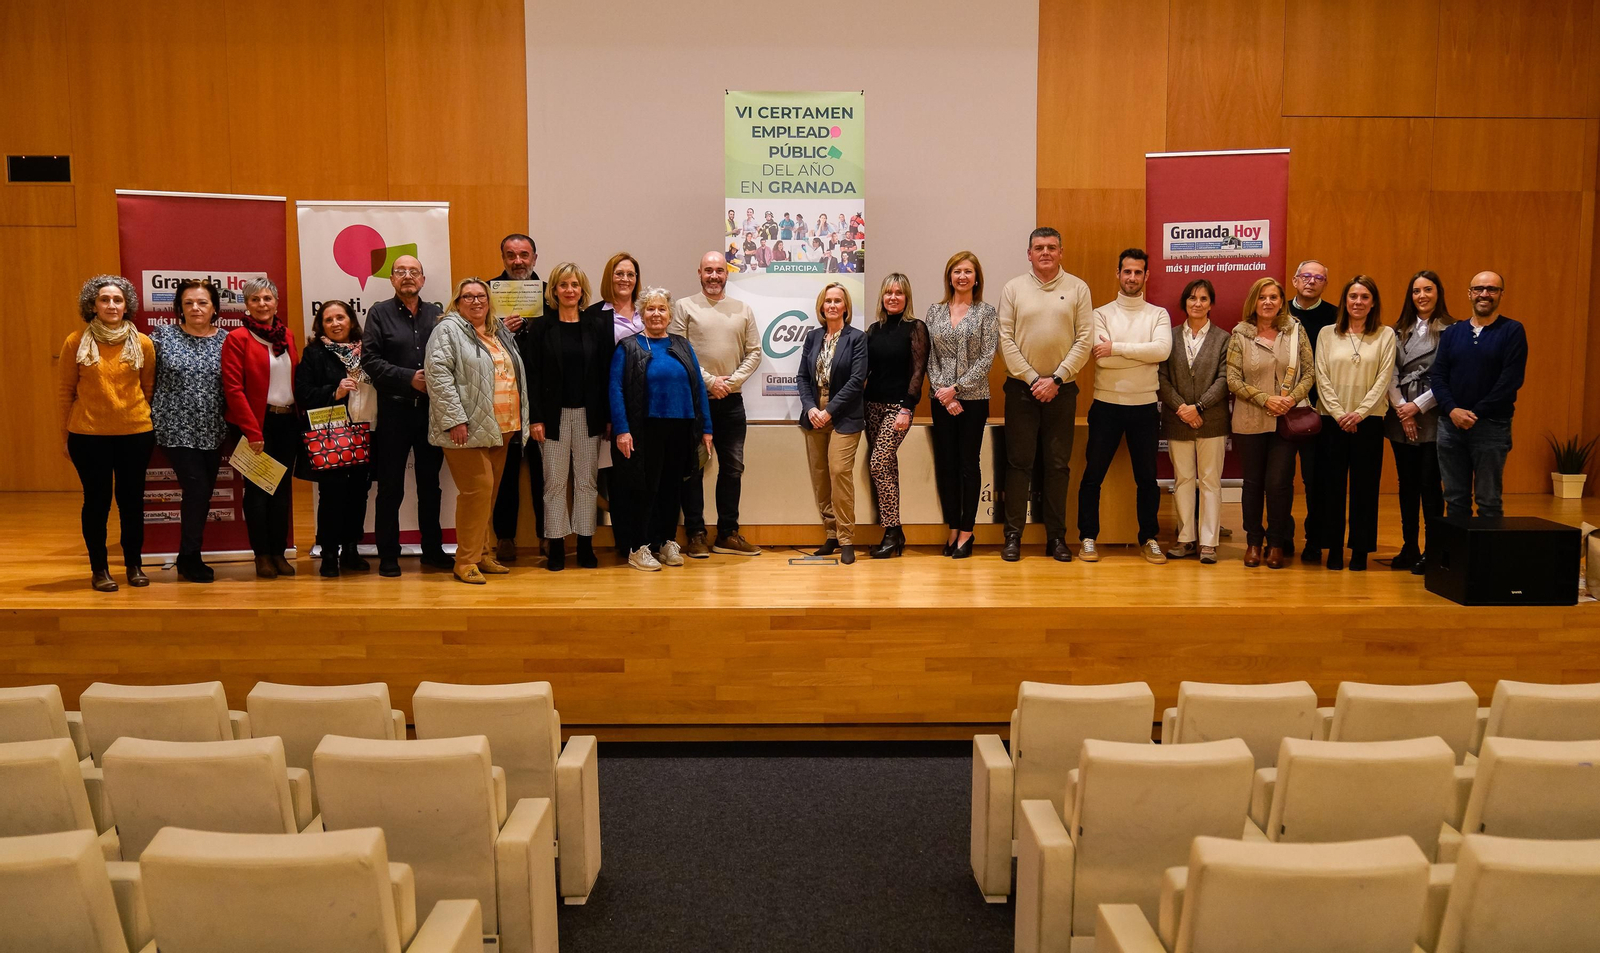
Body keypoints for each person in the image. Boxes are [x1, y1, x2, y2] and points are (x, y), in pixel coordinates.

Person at [996, 226, 1094, 562]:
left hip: (1062, 391)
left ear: (1061, 252)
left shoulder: (1078, 288)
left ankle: (1056, 538)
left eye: (1052, 247)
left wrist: (1057, 378)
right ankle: (1012, 537)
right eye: (1039, 247)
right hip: (1021, 390)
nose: (1045, 253)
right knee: (1018, 464)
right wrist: (1032, 378)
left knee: (1057, 466)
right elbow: (1004, 339)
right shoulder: (1013, 289)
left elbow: (1085, 339)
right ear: (1029, 253)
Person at [425, 278, 530, 584]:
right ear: (457, 302)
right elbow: (438, 375)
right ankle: (466, 560)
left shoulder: (497, 331)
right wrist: (454, 419)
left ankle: (483, 554)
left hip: (502, 426)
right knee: (477, 491)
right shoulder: (447, 329)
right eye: (467, 296)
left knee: (489, 493)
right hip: (466, 427)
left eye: (481, 296)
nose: (475, 301)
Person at [59, 275, 156, 591]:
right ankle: (99, 569)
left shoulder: (142, 342)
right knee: (97, 503)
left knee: (132, 502)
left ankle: (134, 566)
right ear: (93, 305)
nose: (111, 305)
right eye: (105, 299)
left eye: (118, 299)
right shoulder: (76, 341)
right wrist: (65, 437)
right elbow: (65, 392)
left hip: (135, 432)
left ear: (127, 305)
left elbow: (148, 388)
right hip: (88, 435)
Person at [1076, 249, 1172, 564]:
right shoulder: (1100, 314)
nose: (1132, 278)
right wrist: (1138, 354)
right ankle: (1088, 537)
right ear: (1118, 274)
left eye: (1138, 272)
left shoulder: (1158, 315)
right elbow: (1101, 359)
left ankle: (1149, 538)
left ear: (1146, 276)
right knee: (1093, 476)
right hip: (1106, 406)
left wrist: (1116, 347)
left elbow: (1161, 351)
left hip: (1144, 408)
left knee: (1147, 479)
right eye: (1127, 271)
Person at [609, 287, 713, 571]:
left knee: (671, 489)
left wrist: (706, 428)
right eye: (651, 308)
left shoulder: (681, 344)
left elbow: (698, 388)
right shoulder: (628, 346)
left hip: (681, 427)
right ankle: (638, 547)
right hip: (645, 428)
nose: (656, 313)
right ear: (641, 313)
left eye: (662, 308)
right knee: (644, 489)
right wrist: (622, 429)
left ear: (669, 314)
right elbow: (616, 390)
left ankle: (666, 542)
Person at [669, 252, 763, 557]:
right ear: (699, 272)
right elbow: (680, 351)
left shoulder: (743, 309)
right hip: (695, 402)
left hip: (732, 402)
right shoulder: (683, 307)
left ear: (727, 274)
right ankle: (695, 534)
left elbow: (755, 352)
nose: (714, 276)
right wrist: (710, 382)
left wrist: (731, 383)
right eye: (708, 270)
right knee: (693, 469)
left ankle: (727, 534)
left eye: (719, 271)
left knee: (733, 469)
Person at [361, 254, 448, 577]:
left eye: (414, 272)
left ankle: (434, 551)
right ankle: (388, 555)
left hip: (430, 413)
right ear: (392, 280)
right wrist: (408, 377)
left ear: (423, 280)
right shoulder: (379, 314)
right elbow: (370, 360)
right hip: (394, 412)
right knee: (390, 488)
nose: (408, 276)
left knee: (430, 486)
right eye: (401, 272)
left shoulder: (438, 315)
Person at [526, 262, 611, 571]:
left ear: (582, 290)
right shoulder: (541, 328)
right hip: (552, 419)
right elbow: (532, 377)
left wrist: (608, 417)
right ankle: (558, 547)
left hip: (589, 416)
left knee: (587, 484)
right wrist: (535, 418)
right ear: (554, 291)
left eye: (574, 285)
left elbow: (604, 375)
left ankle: (586, 545)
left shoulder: (596, 327)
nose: (569, 290)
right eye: (563, 285)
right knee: (554, 485)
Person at [1227, 277, 1314, 569]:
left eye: (1274, 297)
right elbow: (1232, 380)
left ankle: (1276, 542)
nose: (1268, 302)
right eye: (1262, 297)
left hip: (1286, 421)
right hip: (1250, 420)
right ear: (1254, 301)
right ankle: (1253, 541)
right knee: (1253, 484)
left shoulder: (1295, 331)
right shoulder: (1240, 333)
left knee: (1279, 484)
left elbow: (1309, 373)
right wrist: (1266, 399)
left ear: (1281, 302)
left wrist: (1289, 400)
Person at [1314, 276, 1397, 572]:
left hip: (1369, 421)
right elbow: (1320, 377)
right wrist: (1339, 414)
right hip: (1332, 421)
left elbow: (1383, 379)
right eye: (1353, 296)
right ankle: (1334, 548)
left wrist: (1359, 413)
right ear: (1344, 301)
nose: (1358, 302)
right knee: (1331, 487)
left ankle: (1360, 549)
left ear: (1373, 302)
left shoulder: (1386, 335)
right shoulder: (1327, 333)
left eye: (1364, 297)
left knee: (1365, 488)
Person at [221, 277, 300, 579]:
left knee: (281, 492)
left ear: (276, 303)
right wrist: (253, 431)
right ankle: (262, 556)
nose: (262, 304)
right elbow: (233, 388)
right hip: (254, 425)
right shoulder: (237, 338)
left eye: (267, 298)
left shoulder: (287, 336)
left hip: (285, 423)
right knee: (257, 493)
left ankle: (279, 553)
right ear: (247, 305)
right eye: (255, 300)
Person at [1431, 271, 1527, 519]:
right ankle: (1457, 558)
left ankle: (1486, 559)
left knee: (1489, 500)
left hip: (1491, 427)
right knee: (1454, 499)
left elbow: (1510, 381)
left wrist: (1475, 413)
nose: (1485, 294)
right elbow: (1438, 376)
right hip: (1450, 426)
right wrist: (1452, 409)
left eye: (1492, 289)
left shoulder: (1512, 331)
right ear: (1469, 293)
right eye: (1479, 289)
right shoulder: (1452, 332)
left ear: (1501, 295)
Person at [150, 279, 227, 583]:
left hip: (213, 428)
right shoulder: (161, 338)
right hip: (174, 428)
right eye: (189, 303)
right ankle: (190, 556)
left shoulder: (227, 340)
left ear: (214, 308)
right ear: (179, 309)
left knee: (204, 493)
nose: (196, 308)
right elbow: (145, 379)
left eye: (203, 303)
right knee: (196, 489)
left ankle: (188, 555)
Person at [293, 300, 376, 578]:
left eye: (340, 317)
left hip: (366, 429)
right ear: (321, 325)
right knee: (332, 495)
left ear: (351, 320)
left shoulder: (368, 351)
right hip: (332, 435)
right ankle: (329, 552)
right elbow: (303, 393)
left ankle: (351, 548)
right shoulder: (314, 354)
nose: (335, 324)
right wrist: (335, 391)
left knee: (359, 493)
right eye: (329, 320)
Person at [926, 251, 998, 559]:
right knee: (947, 466)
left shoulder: (987, 312)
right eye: (957, 271)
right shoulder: (935, 311)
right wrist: (944, 393)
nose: (962, 276)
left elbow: (987, 357)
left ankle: (967, 531)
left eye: (968, 271)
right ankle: (953, 527)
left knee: (969, 465)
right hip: (941, 401)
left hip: (974, 400)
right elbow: (929, 356)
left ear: (977, 277)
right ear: (949, 276)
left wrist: (956, 389)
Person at [1385, 271, 1454, 574]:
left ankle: (1434, 549)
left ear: (1438, 293)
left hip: (1433, 414)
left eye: (1428, 290)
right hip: (1400, 415)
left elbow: (1449, 377)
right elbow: (1388, 374)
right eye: (1416, 291)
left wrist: (1416, 406)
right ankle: (1409, 545)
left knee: (1430, 485)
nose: (1422, 296)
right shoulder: (1397, 330)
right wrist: (1402, 408)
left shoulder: (1452, 330)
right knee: (1407, 485)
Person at [797, 282, 868, 564]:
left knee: (839, 471)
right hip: (815, 414)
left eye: (838, 301)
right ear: (821, 307)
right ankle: (831, 535)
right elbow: (803, 377)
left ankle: (847, 538)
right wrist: (811, 407)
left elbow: (856, 381)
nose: (833, 306)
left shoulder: (857, 338)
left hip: (845, 415)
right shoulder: (813, 337)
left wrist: (830, 411)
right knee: (820, 476)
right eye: (828, 301)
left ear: (846, 307)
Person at [1159, 278, 1230, 564]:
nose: (1197, 303)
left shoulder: (1224, 338)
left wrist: (1198, 408)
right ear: (1184, 303)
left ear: (1211, 304)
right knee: (1184, 479)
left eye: (1203, 299)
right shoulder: (1170, 336)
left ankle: (1209, 542)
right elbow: (1161, 378)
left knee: (1210, 481)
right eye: (1192, 298)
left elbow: (1226, 379)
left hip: (1211, 420)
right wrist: (1182, 408)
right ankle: (1186, 538)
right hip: (1178, 421)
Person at [863, 273, 928, 559]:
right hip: (871, 407)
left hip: (897, 408)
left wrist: (907, 407)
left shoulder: (915, 328)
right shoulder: (873, 330)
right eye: (888, 292)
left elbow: (918, 371)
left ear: (906, 297)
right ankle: (895, 533)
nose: (893, 297)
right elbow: (865, 371)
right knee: (885, 467)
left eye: (899, 293)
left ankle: (891, 531)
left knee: (879, 463)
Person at [490, 233, 544, 564]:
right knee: (505, 473)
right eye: (511, 255)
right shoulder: (487, 294)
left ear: (535, 257)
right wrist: (500, 330)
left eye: (524, 255)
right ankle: (505, 538)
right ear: (503, 258)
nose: (518, 261)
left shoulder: (549, 294)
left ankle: (546, 537)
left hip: (539, 396)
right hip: (503, 396)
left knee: (543, 473)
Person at [585, 252, 644, 557]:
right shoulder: (595, 315)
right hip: (615, 409)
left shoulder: (647, 313)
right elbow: (595, 371)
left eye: (630, 274)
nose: (625, 280)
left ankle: (648, 540)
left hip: (648, 409)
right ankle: (626, 543)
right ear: (610, 277)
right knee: (619, 480)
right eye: (619, 274)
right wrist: (609, 415)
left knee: (646, 477)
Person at [1288, 260, 1338, 564]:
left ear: (1324, 284)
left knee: (1315, 480)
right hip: (1278, 408)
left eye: (1318, 278)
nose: (1311, 281)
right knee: (1278, 480)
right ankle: (1280, 536)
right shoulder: (1278, 312)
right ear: (1295, 280)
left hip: (1319, 410)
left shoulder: (1335, 316)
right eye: (1306, 276)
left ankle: (1314, 539)